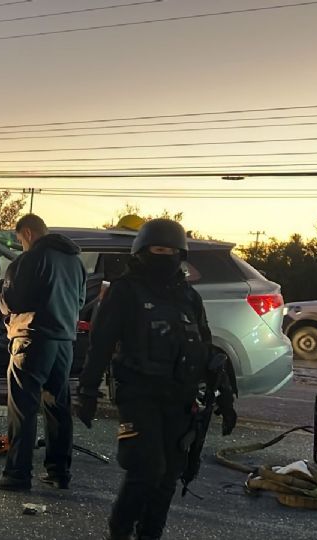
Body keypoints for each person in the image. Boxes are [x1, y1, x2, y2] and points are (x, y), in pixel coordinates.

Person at [76, 219, 237, 540]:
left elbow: (205, 348)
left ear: (181, 255)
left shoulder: (188, 297)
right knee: (146, 471)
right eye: (157, 249)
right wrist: (88, 390)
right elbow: (102, 342)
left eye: (171, 251)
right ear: (142, 252)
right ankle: (119, 532)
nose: (164, 256)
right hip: (139, 394)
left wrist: (225, 397)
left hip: (181, 397)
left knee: (168, 478)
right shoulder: (125, 291)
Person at [0, 214, 86, 492]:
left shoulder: (30, 260)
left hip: (32, 339)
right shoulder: (75, 262)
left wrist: (1, 303)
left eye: (20, 240)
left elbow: (14, 299)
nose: (21, 245)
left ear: (28, 233)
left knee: (23, 408)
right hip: (64, 342)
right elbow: (80, 300)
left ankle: (18, 474)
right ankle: (58, 472)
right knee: (58, 407)